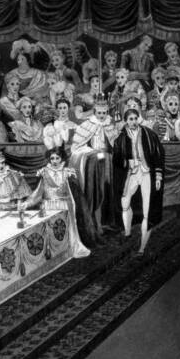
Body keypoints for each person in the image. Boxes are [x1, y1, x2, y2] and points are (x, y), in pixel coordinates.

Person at [113, 107, 164, 255]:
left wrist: (159, 176)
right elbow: (116, 160)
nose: (133, 122)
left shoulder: (149, 135)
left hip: (147, 173)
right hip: (132, 174)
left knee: (147, 210)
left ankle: (142, 247)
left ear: (139, 119)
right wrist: (127, 162)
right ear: (126, 121)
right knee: (125, 202)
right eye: (130, 119)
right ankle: (127, 232)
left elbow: (158, 155)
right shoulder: (120, 139)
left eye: (135, 119)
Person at [71, 97, 118, 236]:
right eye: (99, 113)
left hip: (107, 161)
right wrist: (91, 152)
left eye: (104, 113)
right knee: (96, 191)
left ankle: (105, 222)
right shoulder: (87, 125)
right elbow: (78, 146)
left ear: (107, 112)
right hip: (93, 163)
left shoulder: (110, 124)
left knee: (108, 189)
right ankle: (94, 222)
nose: (102, 116)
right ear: (95, 112)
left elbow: (114, 143)